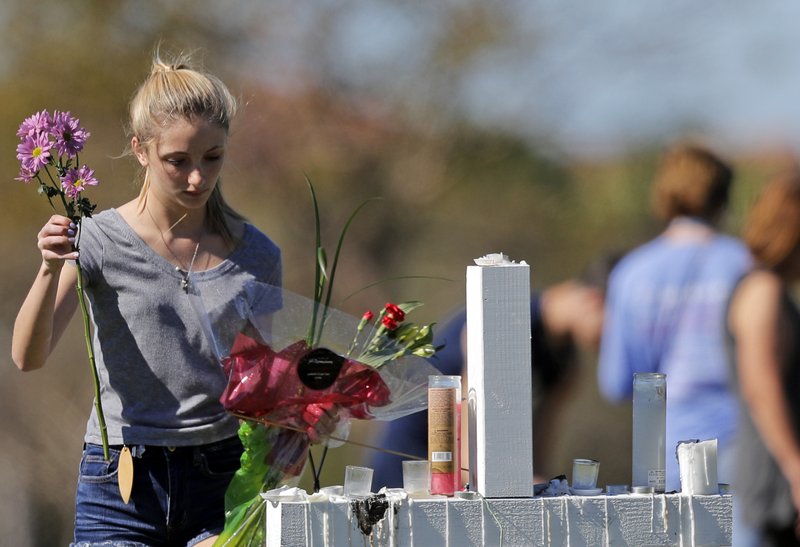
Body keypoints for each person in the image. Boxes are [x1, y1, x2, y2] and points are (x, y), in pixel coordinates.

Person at [11, 52, 329, 546]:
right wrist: (50, 267)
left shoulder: (258, 254)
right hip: (120, 479)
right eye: (177, 161)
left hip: (221, 478)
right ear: (140, 150)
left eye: (213, 157)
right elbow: (27, 357)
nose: (198, 178)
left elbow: (262, 386)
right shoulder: (95, 239)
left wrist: (305, 421)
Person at [370, 252, 618, 488]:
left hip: (472, 482)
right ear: (594, 300)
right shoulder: (504, 318)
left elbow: (540, 447)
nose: (618, 341)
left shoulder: (565, 361)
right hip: (411, 467)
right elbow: (471, 442)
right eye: (620, 325)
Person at [597, 141, 751, 493]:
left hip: (668, 456)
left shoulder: (633, 273)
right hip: (747, 447)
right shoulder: (746, 265)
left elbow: (617, 382)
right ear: (723, 196)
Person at [727, 172, 800, 546]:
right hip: (773, 485)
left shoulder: (770, 290)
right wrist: (795, 467)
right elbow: (761, 388)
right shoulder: (763, 292)